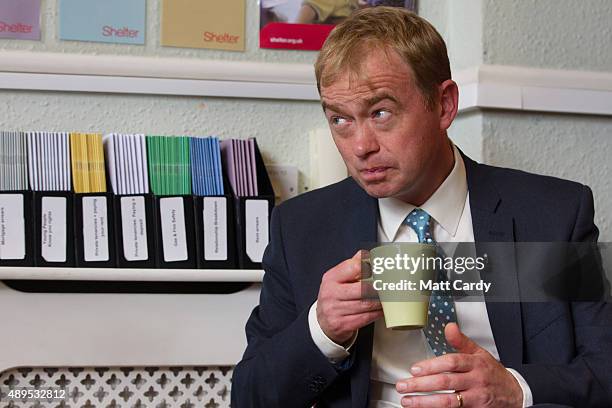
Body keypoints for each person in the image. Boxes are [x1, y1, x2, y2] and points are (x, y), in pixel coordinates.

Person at [232, 7, 612, 408]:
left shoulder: (549, 217)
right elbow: (250, 396)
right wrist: (322, 329)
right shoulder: (303, 228)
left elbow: (604, 371)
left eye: (381, 113)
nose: (361, 147)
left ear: (444, 105)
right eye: (340, 120)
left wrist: (516, 388)